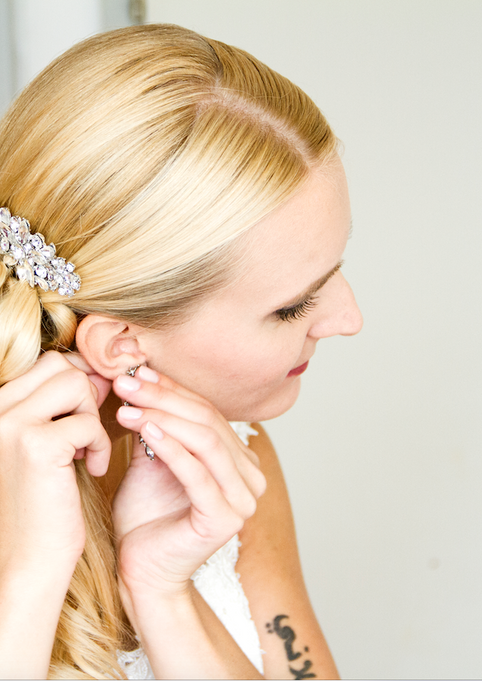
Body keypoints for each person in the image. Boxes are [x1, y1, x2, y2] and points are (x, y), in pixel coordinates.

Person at [0, 23, 362, 680]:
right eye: (292, 306)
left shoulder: (224, 461)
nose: (349, 318)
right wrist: (29, 579)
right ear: (122, 346)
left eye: (335, 271)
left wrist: (164, 592)